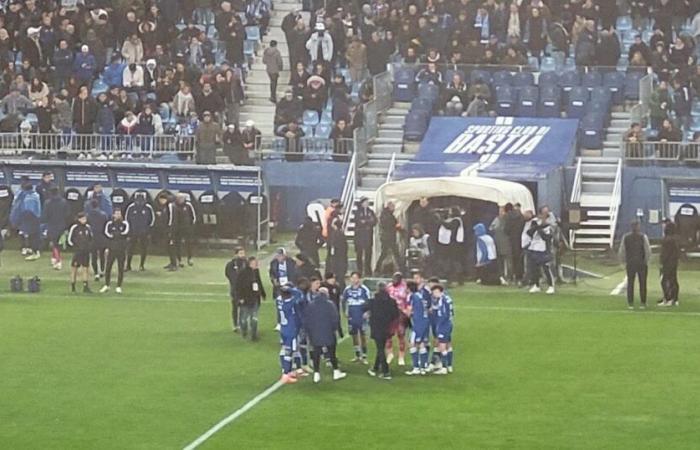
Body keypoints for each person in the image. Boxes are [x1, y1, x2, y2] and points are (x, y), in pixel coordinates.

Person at [303, 288, 347, 384]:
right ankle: (336, 371)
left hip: (315, 334)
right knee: (332, 353)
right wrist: (335, 330)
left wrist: (309, 332)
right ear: (326, 294)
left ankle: (316, 374)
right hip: (328, 333)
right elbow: (335, 319)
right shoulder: (330, 305)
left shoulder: (311, 305)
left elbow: (306, 320)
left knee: (316, 354)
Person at [366, 282, 399, 380]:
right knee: (380, 347)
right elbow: (396, 315)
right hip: (387, 327)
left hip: (376, 327)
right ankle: (375, 368)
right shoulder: (392, 301)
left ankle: (386, 371)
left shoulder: (373, 300)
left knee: (380, 349)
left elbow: (364, 308)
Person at [618, 221, 652, 309]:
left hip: (630, 263)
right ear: (638, 227)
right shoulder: (643, 237)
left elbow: (622, 251)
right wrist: (646, 261)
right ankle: (643, 302)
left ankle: (630, 303)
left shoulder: (626, 237)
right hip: (641, 263)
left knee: (630, 283)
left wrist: (624, 261)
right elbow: (647, 250)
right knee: (643, 283)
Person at [522, 207, 555, 294]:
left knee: (546, 267)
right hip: (534, 247)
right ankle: (536, 285)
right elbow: (530, 232)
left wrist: (540, 229)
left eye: (547, 212)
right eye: (544, 212)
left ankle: (551, 286)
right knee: (534, 268)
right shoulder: (535, 221)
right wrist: (539, 227)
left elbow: (547, 237)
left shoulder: (550, 223)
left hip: (543, 248)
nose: (545, 214)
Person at [342, 272, 371, 364]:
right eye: (352, 278)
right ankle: (357, 355)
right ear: (350, 279)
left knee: (363, 335)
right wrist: (345, 311)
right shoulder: (347, 290)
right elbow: (343, 301)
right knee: (354, 335)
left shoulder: (364, 289)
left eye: (356, 278)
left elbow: (370, 301)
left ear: (359, 279)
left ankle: (364, 356)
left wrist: (368, 312)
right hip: (352, 316)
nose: (354, 280)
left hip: (362, 316)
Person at [10, 178, 42, 261]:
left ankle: (28, 248)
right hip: (33, 217)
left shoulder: (24, 195)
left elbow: (16, 205)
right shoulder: (36, 195)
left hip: (26, 216)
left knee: (26, 232)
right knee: (29, 233)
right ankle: (30, 248)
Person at [276, 283, 302, 384]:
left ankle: (287, 371)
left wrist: (286, 289)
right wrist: (292, 289)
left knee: (285, 349)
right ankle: (286, 374)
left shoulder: (279, 300)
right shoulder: (290, 302)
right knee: (289, 351)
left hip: (284, 328)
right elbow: (299, 295)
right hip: (291, 330)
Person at [236, 256, 266, 340]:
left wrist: (262, 294)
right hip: (245, 298)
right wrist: (240, 298)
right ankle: (244, 331)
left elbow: (259, 282)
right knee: (244, 319)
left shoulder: (256, 272)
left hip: (254, 298)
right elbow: (238, 286)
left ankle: (254, 335)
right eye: (254, 263)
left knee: (254, 318)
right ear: (249, 264)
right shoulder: (242, 273)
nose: (256, 264)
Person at [100, 209, 130, 294]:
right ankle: (106, 285)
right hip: (112, 249)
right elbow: (107, 234)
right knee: (108, 267)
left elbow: (125, 233)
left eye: (119, 214)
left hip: (121, 249)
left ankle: (118, 286)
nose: (117, 215)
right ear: (113, 215)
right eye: (116, 213)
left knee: (120, 268)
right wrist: (115, 236)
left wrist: (116, 235)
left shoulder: (125, 224)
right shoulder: (109, 224)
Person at [405, 280, 430, 376]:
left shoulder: (412, 296)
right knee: (422, 344)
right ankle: (423, 368)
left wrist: (400, 308)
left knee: (412, 344)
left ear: (409, 288)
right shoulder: (420, 295)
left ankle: (416, 367)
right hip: (425, 321)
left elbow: (408, 312)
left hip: (418, 323)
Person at [41, 187, 70, 270]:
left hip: (51, 225)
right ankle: (54, 258)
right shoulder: (64, 202)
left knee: (54, 244)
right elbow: (67, 214)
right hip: (61, 225)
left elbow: (45, 215)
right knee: (58, 243)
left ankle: (58, 261)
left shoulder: (47, 203)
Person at [125, 193, 155, 271]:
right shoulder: (131, 207)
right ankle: (128, 265)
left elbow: (152, 220)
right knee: (130, 249)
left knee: (144, 249)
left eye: (141, 199)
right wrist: (129, 232)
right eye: (138, 199)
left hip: (144, 232)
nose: (139, 201)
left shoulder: (148, 208)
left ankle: (141, 265)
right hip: (133, 232)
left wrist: (148, 231)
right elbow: (127, 220)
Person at [269, 247, 297, 330]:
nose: (279, 257)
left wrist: (291, 283)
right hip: (279, 286)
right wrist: (274, 280)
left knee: (291, 303)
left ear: (285, 255)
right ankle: (280, 322)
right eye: (278, 255)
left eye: (281, 255)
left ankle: (291, 320)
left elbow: (294, 273)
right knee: (280, 304)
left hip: (289, 285)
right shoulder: (273, 263)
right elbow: (272, 273)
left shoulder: (291, 262)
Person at [430, 284, 454, 375]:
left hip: (444, 325)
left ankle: (444, 368)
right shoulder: (448, 298)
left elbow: (444, 314)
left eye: (434, 293)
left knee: (442, 347)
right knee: (448, 345)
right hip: (449, 324)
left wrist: (439, 324)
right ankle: (449, 366)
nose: (434, 295)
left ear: (438, 291)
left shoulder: (442, 300)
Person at [67, 212, 93, 294]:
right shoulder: (74, 227)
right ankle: (73, 286)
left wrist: (89, 247)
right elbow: (69, 240)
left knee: (85, 268)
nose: (84, 220)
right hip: (77, 252)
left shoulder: (88, 227)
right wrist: (75, 248)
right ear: (79, 219)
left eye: (85, 218)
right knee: (74, 268)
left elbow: (91, 238)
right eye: (82, 219)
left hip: (86, 252)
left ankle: (85, 286)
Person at [375, 201, 403, 275]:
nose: (394, 208)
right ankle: (377, 269)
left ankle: (377, 269)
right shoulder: (385, 215)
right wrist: (396, 227)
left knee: (390, 253)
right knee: (387, 253)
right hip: (387, 237)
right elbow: (388, 225)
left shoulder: (389, 215)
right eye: (393, 207)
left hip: (390, 237)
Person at [225, 247, 248, 332]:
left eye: (243, 253)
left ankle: (242, 323)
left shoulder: (246, 263)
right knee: (235, 307)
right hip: (234, 289)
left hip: (245, 289)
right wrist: (235, 283)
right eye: (240, 253)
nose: (242, 255)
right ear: (236, 254)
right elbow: (228, 274)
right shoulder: (230, 264)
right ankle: (235, 324)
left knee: (243, 307)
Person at [171, 193, 196, 268]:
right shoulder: (174, 206)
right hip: (178, 229)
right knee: (177, 244)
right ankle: (179, 260)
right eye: (178, 198)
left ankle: (190, 258)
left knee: (188, 243)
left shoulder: (188, 205)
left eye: (181, 198)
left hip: (187, 228)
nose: (180, 200)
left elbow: (193, 216)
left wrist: (191, 226)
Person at [354, 197, 377, 277]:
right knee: (359, 254)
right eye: (365, 202)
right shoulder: (357, 212)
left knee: (368, 253)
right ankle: (359, 270)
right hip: (360, 236)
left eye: (367, 202)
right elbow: (359, 221)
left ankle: (368, 270)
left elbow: (374, 221)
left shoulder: (370, 212)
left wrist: (366, 222)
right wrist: (367, 222)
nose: (367, 203)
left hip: (368, 236)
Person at [659, 222, 681, 307]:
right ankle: (675, 299)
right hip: (674, 262)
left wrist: (662, 262)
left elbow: (664, 253)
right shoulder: (675, 239)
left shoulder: (667, 240)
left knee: (664, 280)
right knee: (673, 280)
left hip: (667, 263)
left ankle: (668, 298)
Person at [326, 218, 348, 283]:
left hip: (337, 257)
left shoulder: (335, 234)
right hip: (342, 256)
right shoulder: (342, 233)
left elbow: (333, 245)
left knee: (337, 275)